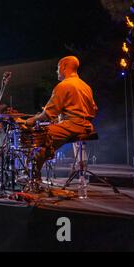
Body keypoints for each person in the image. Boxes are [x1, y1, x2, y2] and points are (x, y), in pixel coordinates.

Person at [25, 56, 98, 187]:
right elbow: (94, 109)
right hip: (87, 126)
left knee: (36, 139)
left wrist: (31, 120)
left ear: (64, 67)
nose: (56, 71)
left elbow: (48, 114)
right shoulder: (86, 86)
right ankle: (37, 174)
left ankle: (33, 181)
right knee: (44, 145)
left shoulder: (63, 86)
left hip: (73, 125)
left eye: (58, 68)